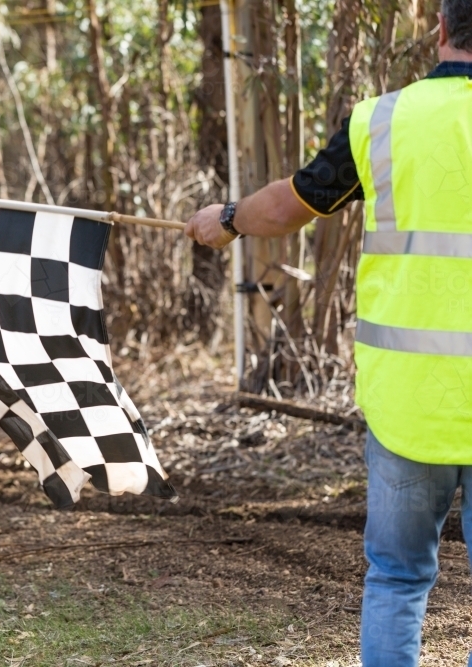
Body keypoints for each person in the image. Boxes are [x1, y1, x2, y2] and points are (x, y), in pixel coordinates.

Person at [185, 2, 472, 663]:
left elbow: (292, 203)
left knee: (398, 577)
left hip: (409, 405)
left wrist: (227, 219)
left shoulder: (383, 121)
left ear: (440, 29)